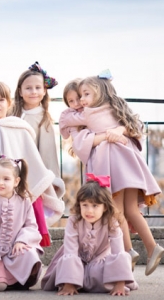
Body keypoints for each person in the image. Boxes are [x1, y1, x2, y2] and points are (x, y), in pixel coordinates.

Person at [59, 74, 164, 275]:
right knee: (131, 210)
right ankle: (152, 247)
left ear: (99, 93)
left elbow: (64, 123)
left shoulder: (88, 114)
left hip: (111, 166)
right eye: (74, 99)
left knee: (117, 212)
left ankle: (127, 252)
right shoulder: (115, 107)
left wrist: (70, 113)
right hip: (129, 163)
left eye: (84, 95)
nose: (80, 102)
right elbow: (137, 126)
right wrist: (119, 129)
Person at [0, 81, 65, 245]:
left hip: (18, 185)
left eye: (1, 100)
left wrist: (38, 181)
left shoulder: (19, 128)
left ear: (9, 103)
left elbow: (31, 160)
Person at [41, 177, 137, 296]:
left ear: (105, 207)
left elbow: (118, 252)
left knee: (104, 272)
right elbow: (70, 251)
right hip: (76, 259)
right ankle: (72, 282)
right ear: (79, 205)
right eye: (85, 205)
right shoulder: (73, 221)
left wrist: (119, 283)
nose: (89, 211)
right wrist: (69, 283)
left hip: (99, 261)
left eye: (95, 206)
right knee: (63, 266)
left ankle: (86, 281)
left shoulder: (112, 222)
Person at [0, 157, 43, 292]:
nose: (0, 183)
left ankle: (18, 279)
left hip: (16, 252)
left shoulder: (25, 202)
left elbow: (31, 227)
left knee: (30, 256)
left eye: (6, 179)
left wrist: (21, 241)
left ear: (16, 181)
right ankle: (6, 278)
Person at [10, 62, 62, 189]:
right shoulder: (10, 113)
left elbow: (48, 154)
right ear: (20, 91)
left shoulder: (44, 120)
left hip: (32, 175)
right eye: (28, 88)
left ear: (44, 91)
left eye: (38, 88)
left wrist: (50, 181)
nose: (33, 92)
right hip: (9, 171)